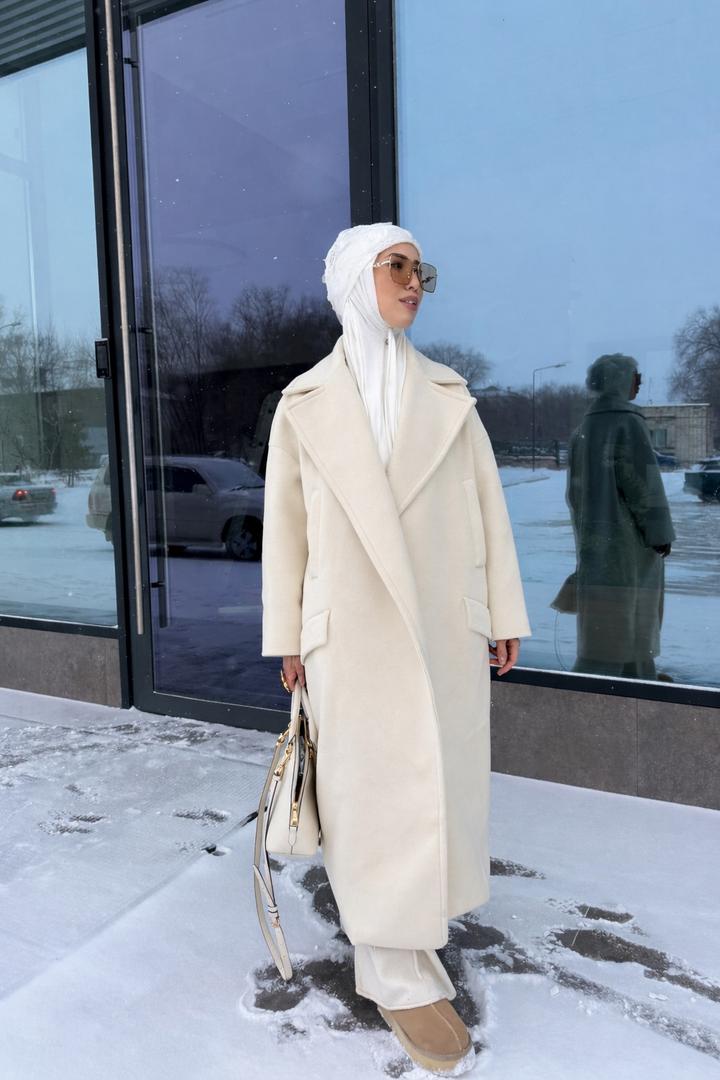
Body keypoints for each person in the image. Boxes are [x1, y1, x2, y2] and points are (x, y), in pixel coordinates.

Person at [260, 223, 530, 1074]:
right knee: (366, 797)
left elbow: (488, 507)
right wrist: (288, 634)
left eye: (421, 271)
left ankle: (410, 944)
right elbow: (285, 529)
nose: (415, 282)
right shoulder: (305, 403)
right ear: (353, 279)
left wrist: (502, 611)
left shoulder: (449, 394)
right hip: (349, 634)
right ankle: (393, 970)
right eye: (397, 267)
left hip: (441, 628)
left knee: (432, 787)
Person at [564, 353, 675, 680]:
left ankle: (629, 676)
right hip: (630, 545)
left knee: (605, 622)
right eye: (635, 377)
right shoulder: (628, 423)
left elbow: (575, 493)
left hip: (596, 542)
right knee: (633, 617)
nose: (639, 383)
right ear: (619, 381)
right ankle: (633, 680)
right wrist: (659, 534)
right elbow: (644, 485)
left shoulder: (584, 428)